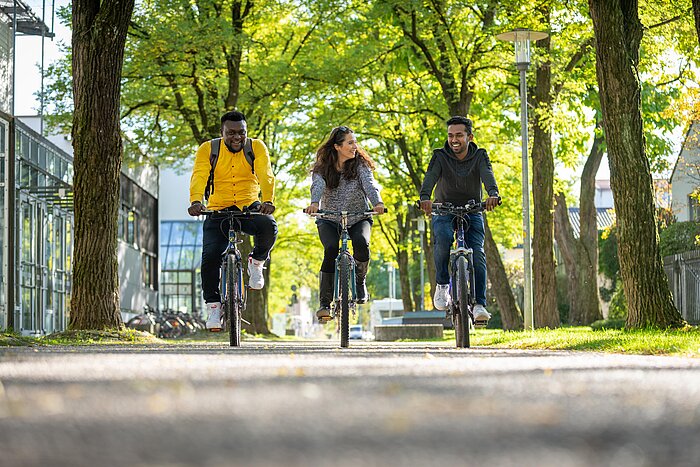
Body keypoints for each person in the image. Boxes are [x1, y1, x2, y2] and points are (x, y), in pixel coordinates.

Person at [188, 111, 278, 331]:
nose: (237, 137)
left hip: (249, 206)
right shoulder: (209, 149)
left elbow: (266, 174)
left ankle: (256, 262)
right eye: (231, 133)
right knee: (210, 258)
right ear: (222, 132)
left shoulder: (256, 147)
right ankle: (214, 307)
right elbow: (199, 174)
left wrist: (268, 200)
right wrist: (196, 201)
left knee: (269, 226)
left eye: (241, 132)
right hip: (217, 208)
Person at [419, 116, 499, 325]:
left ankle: (480, 304)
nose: (454, 139)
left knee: (478, 252)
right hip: (444, 209)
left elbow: (488, 175)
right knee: (443, 239)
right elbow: (430, 177)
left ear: (469, 137)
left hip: (473, 209)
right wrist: (425, 198)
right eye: (451, 135)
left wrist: (493, 193)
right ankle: (443, 284)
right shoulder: (440, 156)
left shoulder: (480, 155)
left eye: (459, 135)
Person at [305, 126, 385, 321]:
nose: (355, 146)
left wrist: (377, 203)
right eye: (350, 143)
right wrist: (315, 203)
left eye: (355, 142)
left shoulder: (360, 166)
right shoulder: (323, 168)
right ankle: (325, 304)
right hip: (329, 217)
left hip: (359, 216)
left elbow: (369, 184)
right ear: (337, 146)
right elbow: (318, 185)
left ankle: (359, 280)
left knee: (361, 243)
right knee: (331, 248)